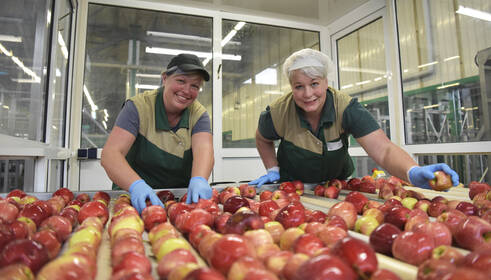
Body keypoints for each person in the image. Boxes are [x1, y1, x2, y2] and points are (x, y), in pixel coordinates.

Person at [249, 48, 459, 189]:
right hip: (292, 187)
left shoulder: (347, 109)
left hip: (336, 186)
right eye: (298, 86)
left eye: (314, 84)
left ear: (325, 81)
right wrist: (272, 169)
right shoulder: (278, 112)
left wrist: (412, 171)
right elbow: (263, 139)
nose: (307, 94)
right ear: (291, 87)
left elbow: (383, 150)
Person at [101, 53, 214, 213]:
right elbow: (110, 154)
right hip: (136, 199)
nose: (187, 91)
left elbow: (204, 149)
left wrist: (199, 179)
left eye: (194, 86)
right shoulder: (138, 107)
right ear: (164, 78)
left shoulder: (198, 114)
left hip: (177, 201)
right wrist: (136, 186)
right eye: (181, 81)